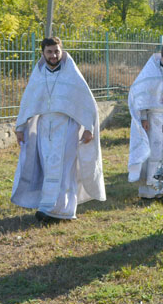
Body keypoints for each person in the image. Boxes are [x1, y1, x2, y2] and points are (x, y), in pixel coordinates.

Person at [12, 37, 105, 223]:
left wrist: (89, 128)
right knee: (48, 166)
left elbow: (87, 102)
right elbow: (28, 101)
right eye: (49, 52)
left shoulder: (71, 74)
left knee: (64, 167)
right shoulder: (38, 74)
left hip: (67, 126)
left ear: (61, 52)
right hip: (44, 127)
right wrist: (20, 127)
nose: (53, 55)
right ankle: (48, 206)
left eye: (56, 51)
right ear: (43, 53)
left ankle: (63, 210)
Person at [128, 41, 163, 203]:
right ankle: (149, 190)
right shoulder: (150, 71)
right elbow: (139, 95)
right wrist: (143, 117)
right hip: (154, 120)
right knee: (153, 153)